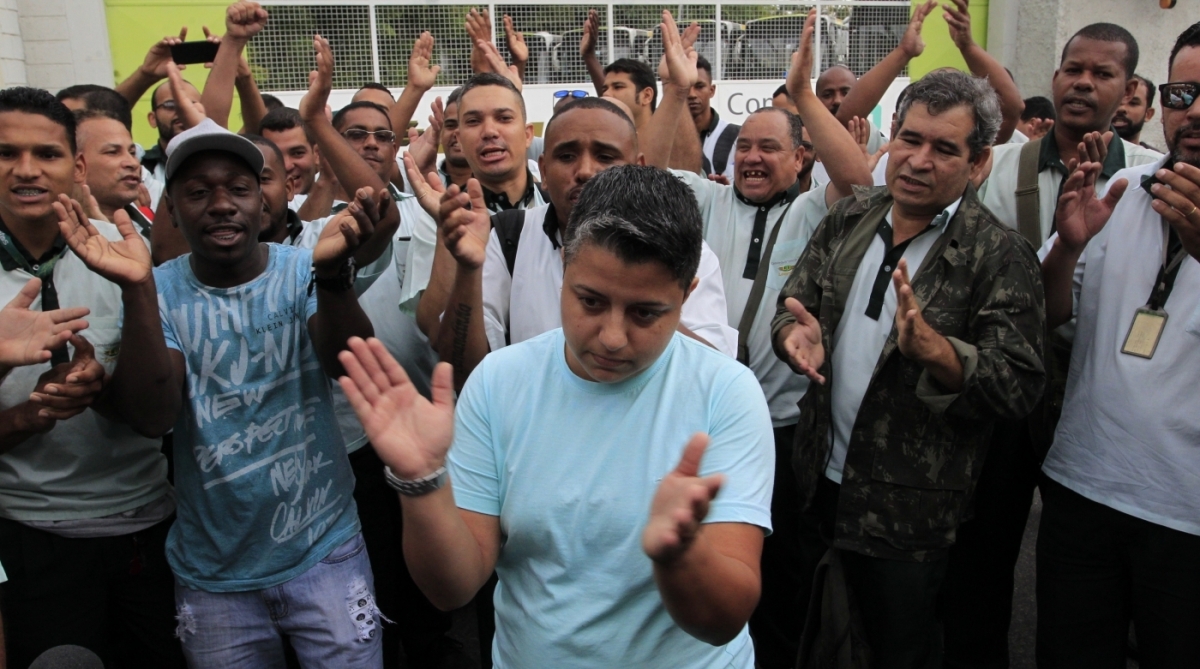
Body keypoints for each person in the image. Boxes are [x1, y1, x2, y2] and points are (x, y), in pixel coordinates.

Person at [341, 163, 774, 668]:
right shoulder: (500, 382)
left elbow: (724, 620)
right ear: (565, 264)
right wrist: (421, 483)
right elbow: (451, 588)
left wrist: (682, 557)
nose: (612, 337)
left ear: (687, 293)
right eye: (590, 301)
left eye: (645, 313)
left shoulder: (726, 394)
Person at [59, 111, 386, 666]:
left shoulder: (301, 268)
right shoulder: (159, 290)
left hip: (325, 551)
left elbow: (350, 365)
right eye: (198, 192)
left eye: (239, 188)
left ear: (263, 202)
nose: (221, 204)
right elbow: (153, 415)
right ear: (172, 210)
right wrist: (138, 289)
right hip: (214, 575)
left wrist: (332, 278)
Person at [771, 70, 1046, 668]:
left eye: (944, 148)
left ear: (978, 164)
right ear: (891, 137)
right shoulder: (850, 217)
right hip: (821, 486)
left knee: (899, 650)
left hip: (908, 519)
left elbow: (1019, 386)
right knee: (813, 638)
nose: (919, 161)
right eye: (910, 139)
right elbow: (791, 307)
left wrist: (938, 352)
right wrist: (794, 336)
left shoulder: (999, 255)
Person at [651, 12, 873, 665]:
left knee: (781, 577)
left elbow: (860, 184)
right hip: (705, 423)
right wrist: (674, 87)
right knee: (706, 559)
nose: (751, 156)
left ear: (801, 158)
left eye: (770, 147)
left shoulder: (813, 212)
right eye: (744, 144)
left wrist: (803, 93)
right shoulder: (705, 202)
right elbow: (650, 171)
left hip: (783, 431)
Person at [947, 24, 1164, 669]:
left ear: (1129, 90)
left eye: (1102, 74)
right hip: (1009, 386)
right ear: (1056, 76)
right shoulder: (998, 167)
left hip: (1101, 390)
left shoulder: (1150, 179)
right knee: (986, 549)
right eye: (1074, 69)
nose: (1083, 83)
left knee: (1091, 561)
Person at [1035, 22, 1200, 667]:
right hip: (1083, 488)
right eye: (1182, 94)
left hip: (1186, 516)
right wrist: (1068, 249)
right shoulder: (1121, 191)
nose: (1194, 112)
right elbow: (1048, 315)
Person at [0, 87, 182, 669]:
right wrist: (24, 415)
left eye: (47, 153)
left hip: (148, 526)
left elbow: (156, 417)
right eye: (6, 153)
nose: (26, 170)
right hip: (29, 537)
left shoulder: (125, 253)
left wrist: (138, 290)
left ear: (76, 167)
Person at [73, 109, 153, 240]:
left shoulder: (155, 228)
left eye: (132, 152)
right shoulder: (56, 235)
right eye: (112, 152)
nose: (133, 163)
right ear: (77, 166)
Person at [259, 106, 323, 214]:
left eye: (297, 153)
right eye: (277, 155)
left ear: (316, 154)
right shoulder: (253, 210)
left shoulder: (342, 202)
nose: (286, 166)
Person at [690, 55, 740, 181]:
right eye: (686, 86)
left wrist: (728, 190)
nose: (692, 94)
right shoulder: (666, 138)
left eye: (699, 86)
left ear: (711, 90)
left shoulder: (738, 136)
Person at [1114, 73, 1157, 149]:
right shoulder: (1090, 154)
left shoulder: (1155, 156)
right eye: (1116, 101)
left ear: (1148, 114)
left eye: (1133, 103)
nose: (1121, 108)